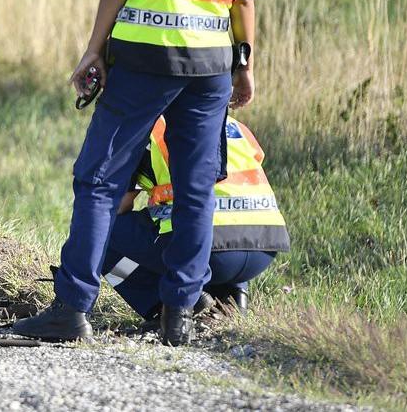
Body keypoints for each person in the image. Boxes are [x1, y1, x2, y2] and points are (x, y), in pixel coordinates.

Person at [12, 0, 268, 346]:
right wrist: (244, 64)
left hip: (144, 65)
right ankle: (179, 316)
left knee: (99, 180)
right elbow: (243, 0)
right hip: (209, 70)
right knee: (196, 186)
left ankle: (72, 307)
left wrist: (93, 50)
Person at [101, 114, 289, 320]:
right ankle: (233, 299)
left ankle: (172, 305)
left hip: (210, 252)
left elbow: (117, 206)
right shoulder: (232, 122)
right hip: (266, 243)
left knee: (103, 234)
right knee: (223, 215)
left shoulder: (146, 127)